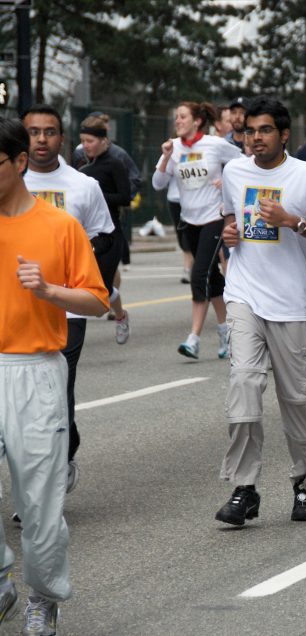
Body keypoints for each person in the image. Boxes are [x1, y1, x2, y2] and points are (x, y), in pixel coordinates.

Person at [0, 117, 109, 636]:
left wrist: (47, 291)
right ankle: (2, 576)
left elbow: (96, 300)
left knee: (39, 505)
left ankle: (43, 596)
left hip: (36, 370)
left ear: (20, 163)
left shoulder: (59, 225)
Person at [214, 97, 306, 526]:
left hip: (289, 303)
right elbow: (230, 223)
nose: (255, 138)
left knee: (296, 399)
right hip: (244, 294)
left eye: (264, 130)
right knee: (245, 384)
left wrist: (293, 221)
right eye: (249, 130)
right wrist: (229, 234)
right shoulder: (234, 171)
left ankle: (304, 483)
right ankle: (244, 488)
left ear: (284, 134)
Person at [22, 104, 115, 496]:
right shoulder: (11, 183)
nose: (41, 139)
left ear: (63, 138)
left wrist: (84, 273)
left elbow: (107, 238)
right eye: (33, 132)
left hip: (66, 309)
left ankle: (51, 474)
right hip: (15, 311)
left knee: (56, 390)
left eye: (50, 132)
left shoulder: (82, 186)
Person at [152, 101, 243, 359]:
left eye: (182, 117)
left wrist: (225, 179)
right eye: (176, 117)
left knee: (198, 273)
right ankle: (227, 331)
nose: (177, 121)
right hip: (189, 220)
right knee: (212, 277)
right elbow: (158, 183)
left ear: (197, 121)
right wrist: (166, 157)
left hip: (214, 218)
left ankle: (194, 338)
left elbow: (244, 162)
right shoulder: (174, 147)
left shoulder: (215, 145)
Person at [77, 113, 132, 344]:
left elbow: (125, 197)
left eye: (90, 141)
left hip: (110, 234)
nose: (85, 146)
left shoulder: (115, 164)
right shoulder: (83, 168)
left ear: (103, 140)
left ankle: (120, 316)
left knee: (103, 287)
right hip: (87, 235)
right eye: (83, 141)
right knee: (81, 284)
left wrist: (98, 194)